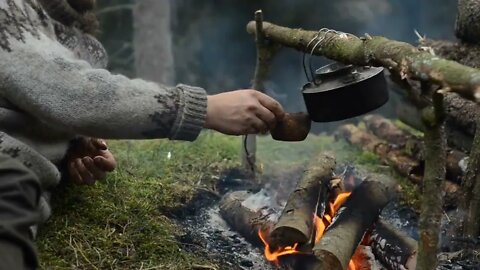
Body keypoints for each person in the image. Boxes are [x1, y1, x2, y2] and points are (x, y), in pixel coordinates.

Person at [0, 0, 286, 269]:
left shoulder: (71, 35)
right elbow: (67, 90)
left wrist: (70, 141)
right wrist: (203, 108)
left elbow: (40, 94)